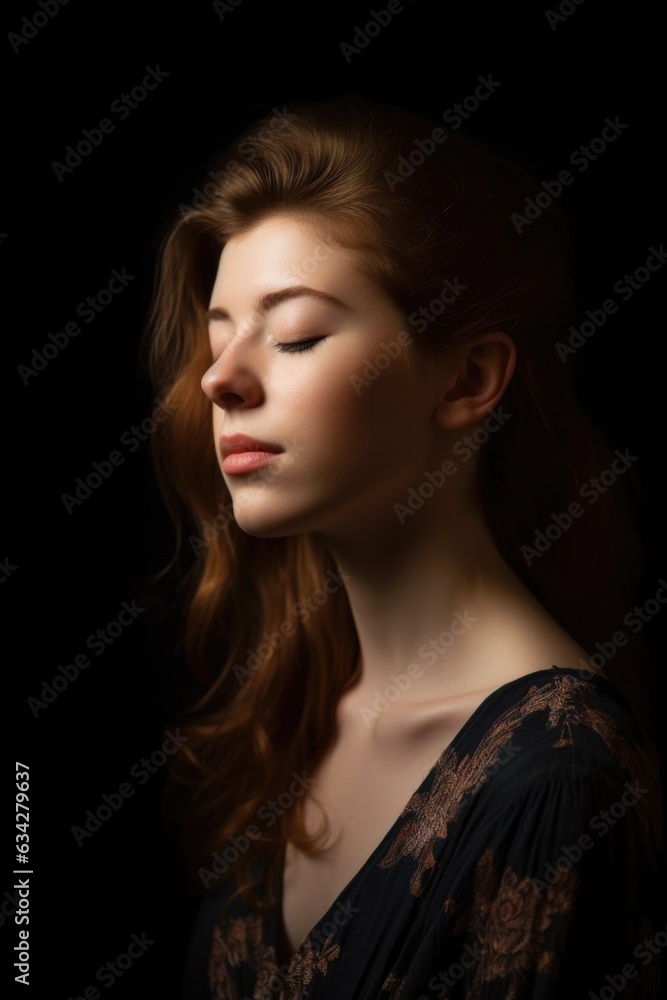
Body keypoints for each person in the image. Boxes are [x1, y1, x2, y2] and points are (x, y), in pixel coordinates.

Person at [144, 97, 665, 999]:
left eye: (296, 333)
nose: (219, 379)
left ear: (466, 378)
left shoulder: (555, 773)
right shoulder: (295, 712)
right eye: (217, 335)